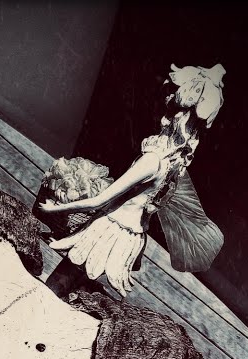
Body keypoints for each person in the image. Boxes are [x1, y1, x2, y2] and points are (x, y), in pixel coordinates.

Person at [38, 64, 226, 295]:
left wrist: (55, 209)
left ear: (177, 114)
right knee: (71, 285)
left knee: (55, 287)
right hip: (131, 234)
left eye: (170, 102)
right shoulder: (175, 164)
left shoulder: (152, 161)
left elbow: (98, 201)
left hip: (110, 228)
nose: (164, 105)